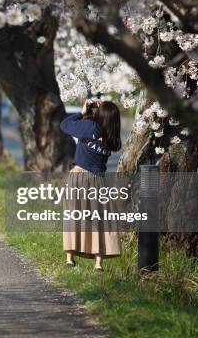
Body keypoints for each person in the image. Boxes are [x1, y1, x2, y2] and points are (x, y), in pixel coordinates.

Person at [60, 99, 122, 272]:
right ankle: (98, 264)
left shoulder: (90, 127)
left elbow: (65, 124)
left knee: (74, 216)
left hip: (79, 176)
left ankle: (70, 259)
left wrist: (82, 112)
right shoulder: (112, 137)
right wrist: (103, 109)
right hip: (99, 180)